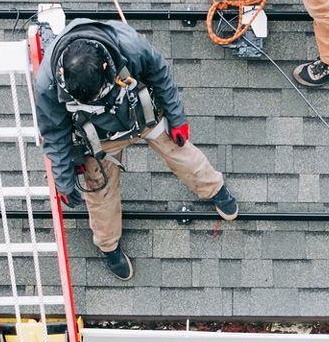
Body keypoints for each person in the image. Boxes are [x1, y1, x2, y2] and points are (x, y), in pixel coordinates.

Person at [33, 18, 240, 282]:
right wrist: (63, 180)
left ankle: (215, 189)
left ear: (106, 66)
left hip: (142, 117)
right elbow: (54, 133)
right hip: (98, 140)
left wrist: (177, 119)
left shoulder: (129, 45)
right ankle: (109, 246)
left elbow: (160, 73)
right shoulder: (47, 85)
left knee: (183, 154)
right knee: (99, 192)